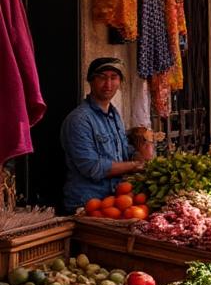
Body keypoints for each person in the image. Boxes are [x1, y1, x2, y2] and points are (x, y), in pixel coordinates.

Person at [60, 58, 152, 213]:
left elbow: (122, 150)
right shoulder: (79, 120)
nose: (108, 84)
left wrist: (138, 154)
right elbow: (91, 167)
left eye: (113, 78)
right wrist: (134, 166)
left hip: (114, 200)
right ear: (90, 81)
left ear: (120, 82)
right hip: (87, 204)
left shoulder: (113, 114)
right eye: (102, 77)